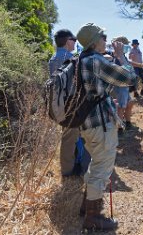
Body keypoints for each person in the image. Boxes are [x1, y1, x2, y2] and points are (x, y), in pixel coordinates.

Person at [76, 23, 136, 231]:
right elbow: (130, 78)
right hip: (100, 123)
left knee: (96, 162)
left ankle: (86, 206)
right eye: (103, 36)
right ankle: (93, 218)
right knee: (102, 168)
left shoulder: (81, 60)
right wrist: (121, 56)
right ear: (94, 41)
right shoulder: (96, 61)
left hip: (86, 123)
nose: (106, 40)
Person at [48, 29, 81, 177]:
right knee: (70, 137)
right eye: (74, 39)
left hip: (59, 103)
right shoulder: (71, 58)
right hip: (70, 102)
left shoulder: (54, 57)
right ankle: (68, 171)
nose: (75, 42)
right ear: (68, 41)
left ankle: (72, 164)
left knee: (69, 135)